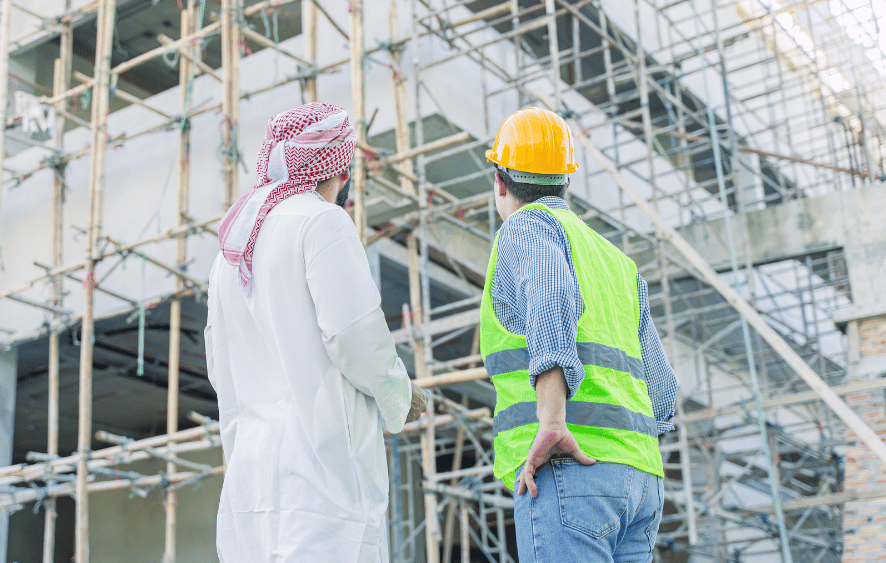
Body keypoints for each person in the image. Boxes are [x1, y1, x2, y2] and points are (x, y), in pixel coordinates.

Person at [204, 102, 428, 563]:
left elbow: (220, 366)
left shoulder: (229, 254)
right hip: (320, 476)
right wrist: (399, 394)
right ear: (338, 170)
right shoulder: (321, 221)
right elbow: (353, 337)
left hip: (250, 478)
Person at [479, 107, 677, 562]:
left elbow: (549, 302)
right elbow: (662, 390)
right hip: (641, 479)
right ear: (567, 182)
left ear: (500, 182)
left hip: (567, 466)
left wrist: (551, 423)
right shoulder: (618, 263)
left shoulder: (525, 227)